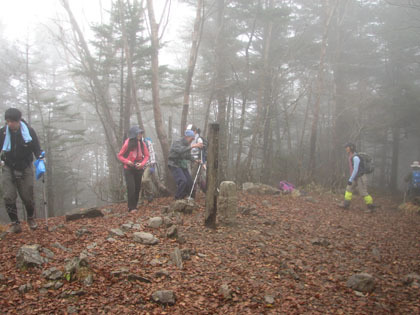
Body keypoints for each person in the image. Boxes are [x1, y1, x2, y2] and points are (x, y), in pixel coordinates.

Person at [0, 108, 42, 233]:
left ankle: (30, 218)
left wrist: (40, 158)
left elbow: (37, 149)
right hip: (8, 167)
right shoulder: (3, 132)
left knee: (27, 196)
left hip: (25, 167)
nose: (10, 124)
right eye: (7, 121)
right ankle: (15, 223)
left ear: (18, 120)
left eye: (12, 121)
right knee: (8, 196)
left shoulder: (29, 131)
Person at [117, 126, 149, 212]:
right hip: (128, 168)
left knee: (137, 188)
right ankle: (131, 207)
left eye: (141, 133)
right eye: (139, 133)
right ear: (134, 135)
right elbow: (119, 155)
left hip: (138, 168)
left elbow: (146, 156)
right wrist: (127, 162)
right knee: (131, 187)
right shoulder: (127, 143)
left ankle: (134, 205)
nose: (140, 135)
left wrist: (142, 164)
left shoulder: (142, 144)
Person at [339, 142, 376, 212]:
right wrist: (352, 178)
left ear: (351, 148)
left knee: (363, 192)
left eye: (347, 147)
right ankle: (346, 204)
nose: (346, 149)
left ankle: (371, 207)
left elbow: (356, 169)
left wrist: (350, 179)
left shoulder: (355, 157)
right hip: (355, 177)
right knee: (348, 189)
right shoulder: (350, 156)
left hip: (360, 177)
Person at [168, 129, 203, 200]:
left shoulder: (187, 144)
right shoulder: (177, 142)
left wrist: (195, 160)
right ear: (187, 137)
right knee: (183, 181)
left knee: (190, 182)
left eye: (193, 139)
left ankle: (190, 198)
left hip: (182, 165)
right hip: (174, 164)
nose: (192, 140)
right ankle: (177, 199)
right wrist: (194, 146)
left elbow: (187, 155)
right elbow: (180, 150)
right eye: (192, 138)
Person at [141, 133, 169, 202]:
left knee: (145, 180)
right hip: (139, 166)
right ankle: (142, 199)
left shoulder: (147, 142)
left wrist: (152, 165)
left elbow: (152, 153)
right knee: (142, 182)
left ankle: (150, 194)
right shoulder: (134, 143)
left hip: (148, 164)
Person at [187, 125, 206, 198]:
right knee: (198, 179)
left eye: (190, 131)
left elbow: (202, 151)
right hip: (192, 161)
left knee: (193, 178)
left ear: (194, 131)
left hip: (197, 161)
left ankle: (192, 195)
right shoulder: (192, 139)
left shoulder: (199, 139)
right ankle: (207, 191)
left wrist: (203, 162)